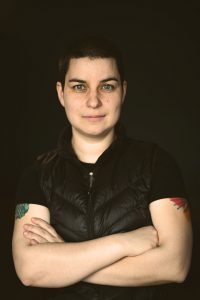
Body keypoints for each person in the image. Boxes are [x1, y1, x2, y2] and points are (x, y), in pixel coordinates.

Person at [12, 35, 193, 300]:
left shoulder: (157, 163)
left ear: (124, 90)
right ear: (61, 94)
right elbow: (30, 270)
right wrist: (124, 243)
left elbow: (175, 265)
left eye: (107, 87)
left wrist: (64, 261)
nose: (93, 101)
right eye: (79, 87)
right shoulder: (37, 174)